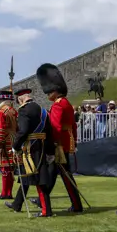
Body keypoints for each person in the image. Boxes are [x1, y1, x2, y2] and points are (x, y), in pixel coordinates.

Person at [38, 63, 84, 213]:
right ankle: (73, 204)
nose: (47, 94)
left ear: (55, 91)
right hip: (66, 142)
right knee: (62, 173)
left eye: (49, 92)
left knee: (61, 173)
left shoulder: (58, 105)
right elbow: (73, 126)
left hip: (59, 144)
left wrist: (53, 144)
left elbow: (56, 127)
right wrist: (74, 141)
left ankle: (46, 200)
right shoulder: (67, 104)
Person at [4, 88, 56, 217]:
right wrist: (50, 151)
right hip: (42, 146)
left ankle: (46, 210)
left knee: (39, 178)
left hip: (30, 148)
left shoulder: (23, 110)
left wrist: (15, 146)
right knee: (27, 175)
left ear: (21, 99)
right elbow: (49, 132)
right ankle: (17, 204)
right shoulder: (42, 110)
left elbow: (23, 130)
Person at [0, 90, 18, 200]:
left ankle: (5, 193)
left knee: (5, 168)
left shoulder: (1, 112)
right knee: (10, 168)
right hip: (13, 140)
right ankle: (8, 192)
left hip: (4, 141)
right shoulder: (14, 111)